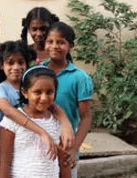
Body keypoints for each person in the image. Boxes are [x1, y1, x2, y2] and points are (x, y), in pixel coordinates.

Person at [0, 40, 74, 153]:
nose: (16, 67)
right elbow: (8, 111)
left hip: (30, 145)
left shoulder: (35, 87)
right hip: (5, 147)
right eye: (10, 63)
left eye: (21, 62)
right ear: (1, 65)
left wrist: (66, 124)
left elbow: (52, 106)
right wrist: (41, 132)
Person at [43, 22, 93, 178]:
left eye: (61, 42)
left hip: (66, 147)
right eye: (50, 41)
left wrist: (74, 148)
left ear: (70, 45)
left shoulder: (80, 78)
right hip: (40, 146)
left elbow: (86, 117)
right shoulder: (37, 72)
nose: (55, 46)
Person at [0, 66, 67, 178]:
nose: (44, 98)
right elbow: (4, 163)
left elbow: (64, 163)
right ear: (25, 92)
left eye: (49, 92)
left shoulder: (57, 122)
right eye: (37, 92)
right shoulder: (11, 122)